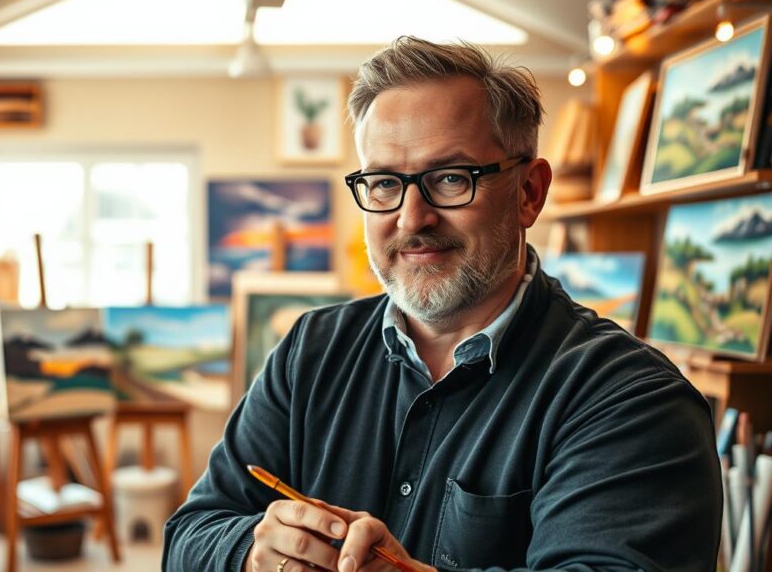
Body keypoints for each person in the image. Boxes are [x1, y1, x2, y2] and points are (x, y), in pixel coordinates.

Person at [163, 37, 721, 572]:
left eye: (451, 179)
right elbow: (188, 536)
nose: (411, 219)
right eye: (384, 183)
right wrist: (252, 552)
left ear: (529, 193)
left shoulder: (631, 397)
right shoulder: (310, 350)